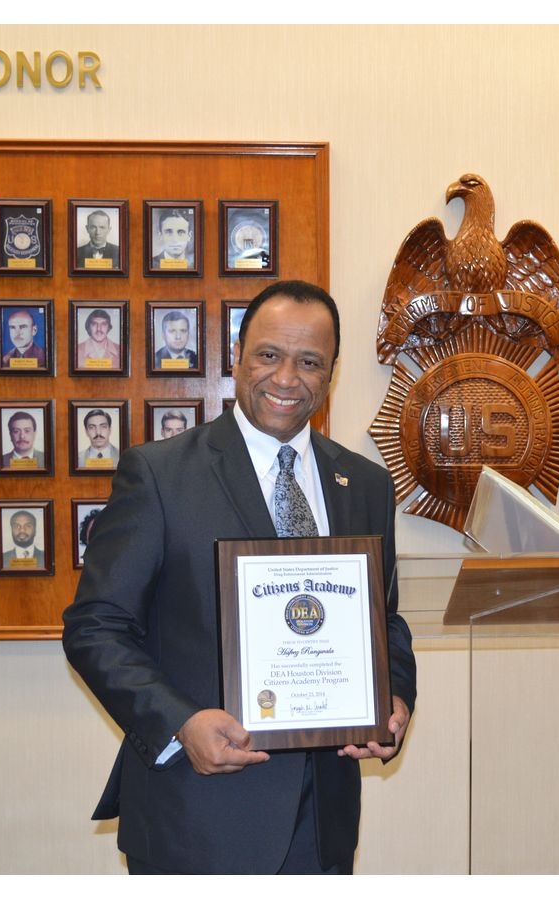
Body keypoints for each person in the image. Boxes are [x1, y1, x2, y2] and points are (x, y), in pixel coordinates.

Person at [63, 280, 417, 875]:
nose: (286, 379)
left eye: (309, 362)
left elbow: (387, 620)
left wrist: (395, 697)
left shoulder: (365, 484)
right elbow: (95, 627)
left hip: (323, 821)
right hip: (196, 817)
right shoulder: (159, 474)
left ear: (331, 373)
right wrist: (180, 722)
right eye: (268, 355)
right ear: (237, 355)